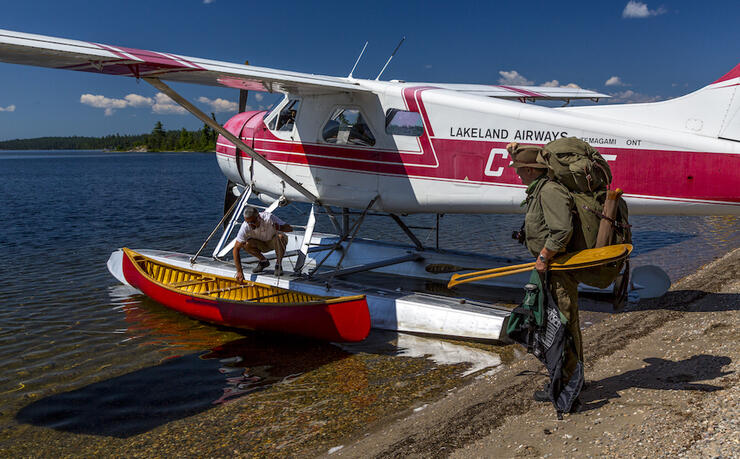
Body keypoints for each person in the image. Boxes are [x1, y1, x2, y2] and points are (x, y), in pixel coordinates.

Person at [508, 142, 584, 409]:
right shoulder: (538, 189)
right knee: (565, 323)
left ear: (530, 170)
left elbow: (561, 231)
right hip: (552, 268)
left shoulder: (549, 191)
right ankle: (572, 379)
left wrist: (543, 257)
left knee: (560, 324)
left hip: (557, 270)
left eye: (519, 169)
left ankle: (565, 389)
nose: (517, 173)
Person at [233, 206, 292, 281]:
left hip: (273, 242)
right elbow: (235, 249)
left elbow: (290, 228)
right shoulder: (245, 227)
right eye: (248, 222)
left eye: (253, 222)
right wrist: (239, 272)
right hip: (260, 244)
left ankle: (278, 264)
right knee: (245, 244)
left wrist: (280, 227)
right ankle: (263, 261)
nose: (251, 225)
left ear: (259, 217)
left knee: (280, 237)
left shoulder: (269, 218)